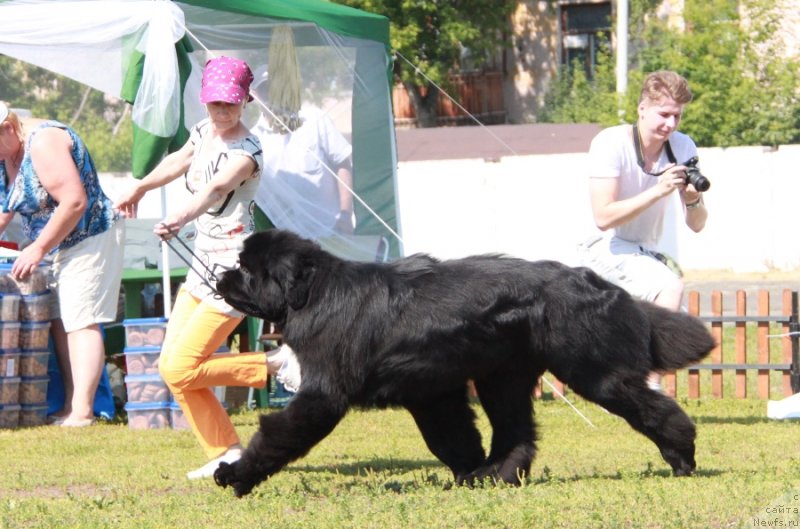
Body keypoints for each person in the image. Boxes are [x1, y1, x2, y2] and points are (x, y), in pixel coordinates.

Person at [114, 56, 300, 480]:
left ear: (246, 101)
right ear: (204, 102)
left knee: (182, 366)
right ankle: (226, 451)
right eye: (215, 103)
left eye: (230, 104)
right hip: (202, 266)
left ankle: (275, 363)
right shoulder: (203, 131)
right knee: (170, 367)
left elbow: (217, 188)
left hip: (236, 273)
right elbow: (179, 160)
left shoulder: (248, 152)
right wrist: (141, 185)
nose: (222, 111)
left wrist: (179, 217)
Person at [577, 70, 708, 390]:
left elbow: (698, 223)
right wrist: (659, 190)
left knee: (678, 320)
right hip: (601, 246)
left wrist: (692, 200)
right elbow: (603, 217)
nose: (671, 124)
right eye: (664, 114)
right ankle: (646, 387)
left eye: (677, 116)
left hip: (646, 253)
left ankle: (621, 385)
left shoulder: (682, 146)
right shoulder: (611, 143)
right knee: (670, 291)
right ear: (642, 109)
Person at [0, 101, 124, 427]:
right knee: (61, 321)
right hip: (55, 247)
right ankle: (71, 404)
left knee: (82, 320)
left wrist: (38, 247)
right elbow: (5, 208)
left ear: (9, 128)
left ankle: (84, 412)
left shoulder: (44, 142)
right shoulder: (6, 157)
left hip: (88, 238)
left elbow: (75, 201)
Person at [251, 25, 355, 238]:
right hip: (281, 243)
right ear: (254, 95)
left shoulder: (314, 119)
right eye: (265, 90)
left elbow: (343, 163)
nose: (272, 95)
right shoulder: (252, 138)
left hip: (327, 234)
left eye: (276, 88)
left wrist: (346, 214)